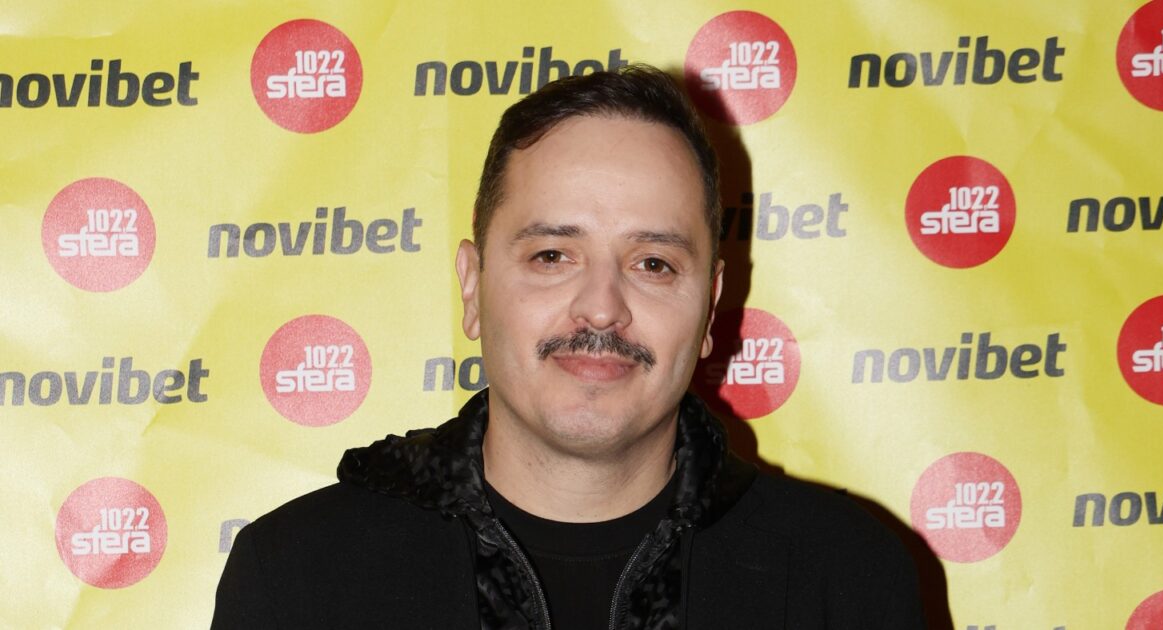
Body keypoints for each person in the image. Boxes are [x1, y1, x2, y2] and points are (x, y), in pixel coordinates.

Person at [212, 65, 927, 629]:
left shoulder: (848, 578)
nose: (602, 307)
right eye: (552, 255)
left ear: (710, 308)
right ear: (473, 286)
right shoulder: (299, 575)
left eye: (653, 263)